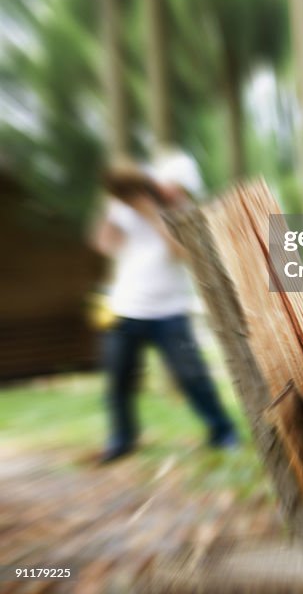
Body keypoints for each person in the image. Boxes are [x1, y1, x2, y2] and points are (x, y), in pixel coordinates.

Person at [92, 152, 238, 463]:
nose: (175, 192)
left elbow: (181, 253)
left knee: (192, 375)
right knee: (119, 379)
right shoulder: (123, 207)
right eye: (171, 185)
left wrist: (152, 215)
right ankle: (122, 438)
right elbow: (104, 245)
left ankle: (222, 431)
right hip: (126, 308)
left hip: (169, 310)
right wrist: (110, 203)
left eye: (180, 188)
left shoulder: (184, 212)